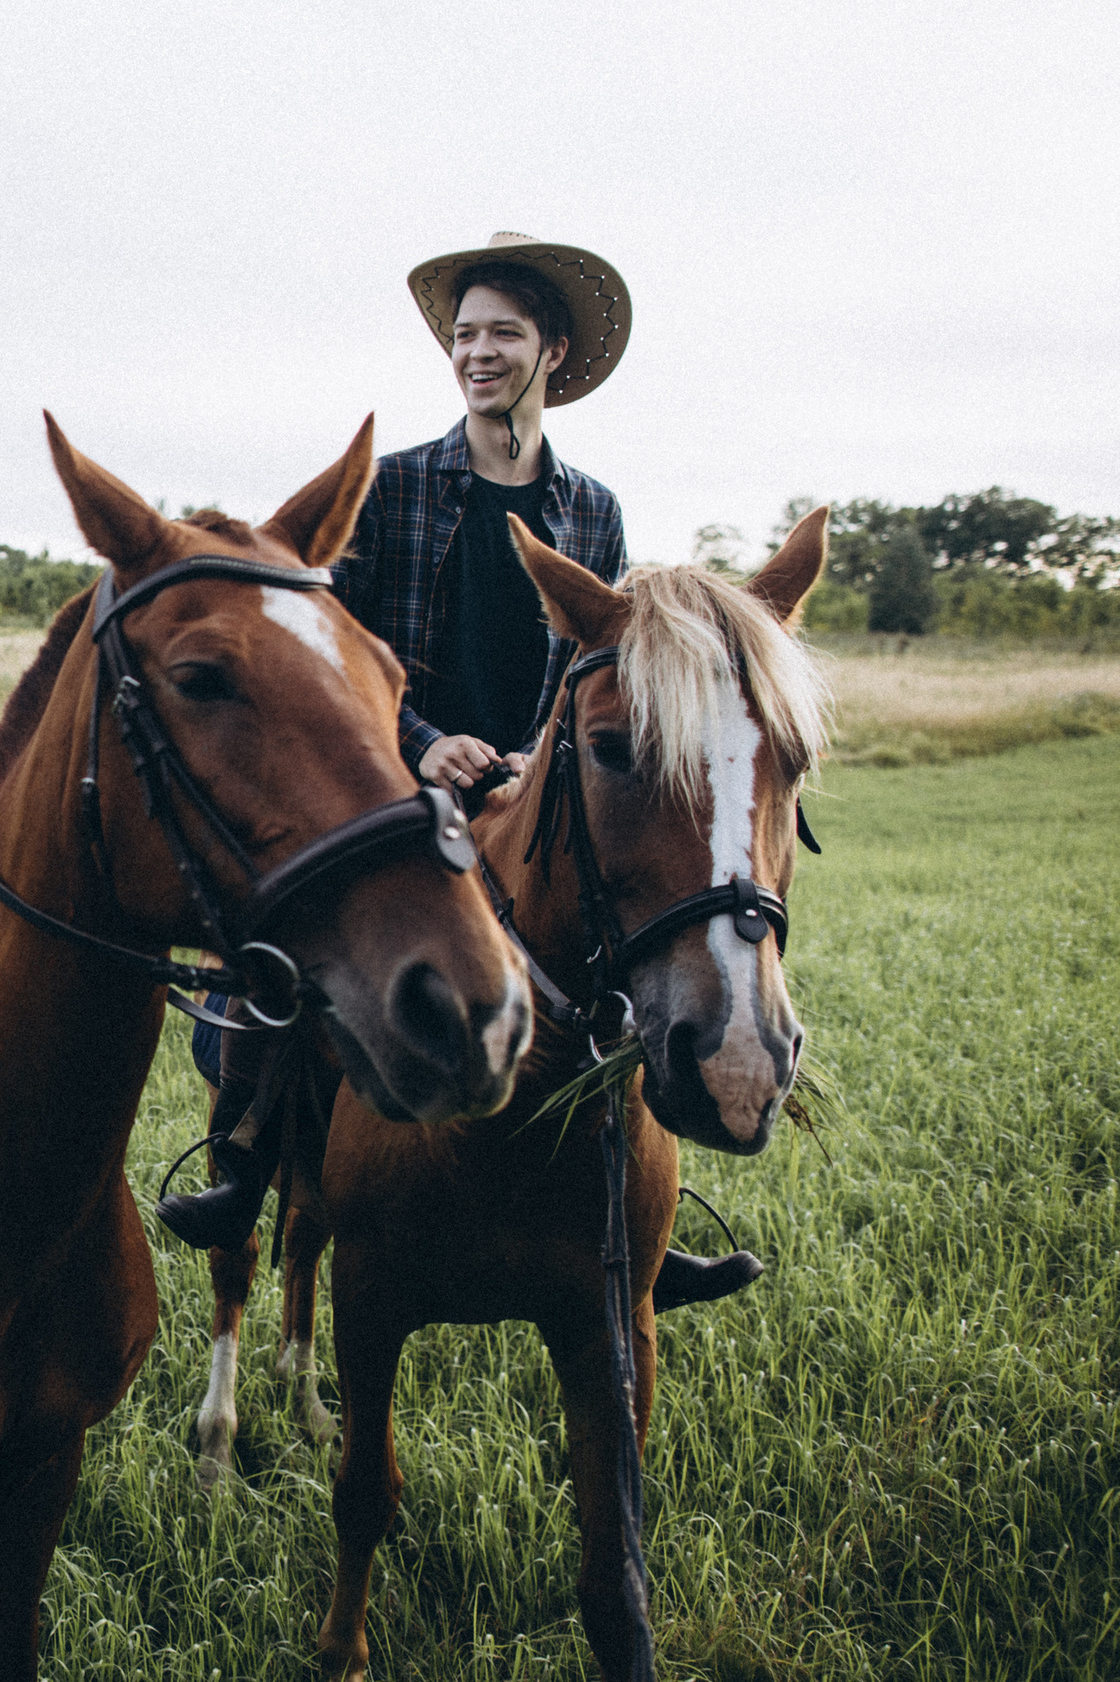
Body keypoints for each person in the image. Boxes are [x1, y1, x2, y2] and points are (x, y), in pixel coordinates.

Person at [160, 232, 763, 1316]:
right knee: (289, 964)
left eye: (501, 334)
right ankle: (247, 1153)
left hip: (537, 790)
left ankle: (642, 1219)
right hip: (406, 780)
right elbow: (331, 648)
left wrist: (545, 755)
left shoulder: (594, 509)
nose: (475, 353)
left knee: (622, 946)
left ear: (552, 352)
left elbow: (595, 666)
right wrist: (420, 737)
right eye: (463, 334)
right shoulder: (392, 491)